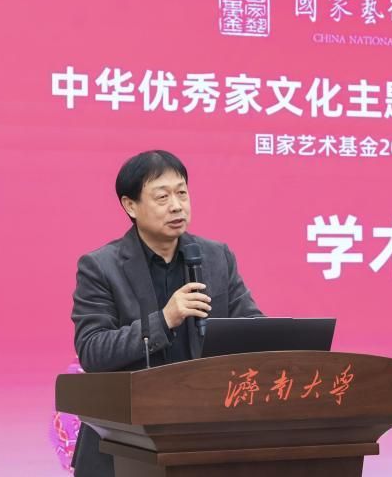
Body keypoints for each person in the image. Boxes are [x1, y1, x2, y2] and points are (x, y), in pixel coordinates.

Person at [69, 150, 263, 476]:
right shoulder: (100, 267)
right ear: (130, 205)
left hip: (204, 439)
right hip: (125, 444)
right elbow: (93, 350)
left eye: (182, 193)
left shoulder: (216, 257)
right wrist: (164, 320)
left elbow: (252, 326)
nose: (176, 206)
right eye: (162, 197)